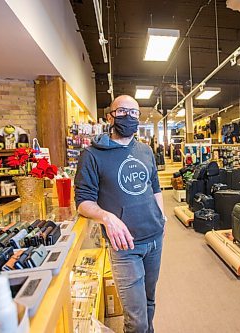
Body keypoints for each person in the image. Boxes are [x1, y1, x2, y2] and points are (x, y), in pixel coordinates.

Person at [75, 95, 165, 333]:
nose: (129, 117)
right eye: (122, 111)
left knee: (149, 303)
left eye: (134, 112)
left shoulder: (145, 151)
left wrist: (162, 218)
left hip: (154, 240)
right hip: (125, 247)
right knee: (135, 319)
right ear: (110, 117)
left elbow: (154, 186)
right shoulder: (92, 155)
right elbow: (83, 201)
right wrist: (106, 217)